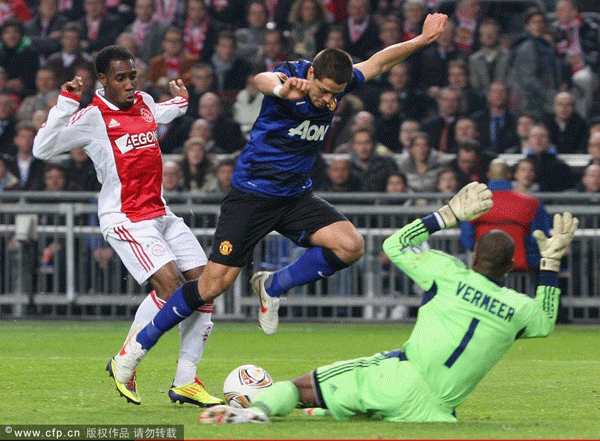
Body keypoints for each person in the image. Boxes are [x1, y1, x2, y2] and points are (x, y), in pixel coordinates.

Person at [108, 13, 449, 399]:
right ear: (312, 74)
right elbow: (262, 80)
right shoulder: (292, 77)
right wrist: (284, 89)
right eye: (323, 91)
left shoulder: (336, 80)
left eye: (336, 94)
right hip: (252, 195)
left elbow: (379, 61)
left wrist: (421, 40)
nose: (328, 100)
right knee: (211, 286)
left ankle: (274, 284)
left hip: (294, 196)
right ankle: (134, 352)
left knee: (350, 245)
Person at [198, 183, 578, 424]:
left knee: (300, 387)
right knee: (359, 402)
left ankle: (253, 412)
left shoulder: (447, 273)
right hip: (437, 411)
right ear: (512, 267)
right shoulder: (518, 308)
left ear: (474, 254)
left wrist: (445, 215)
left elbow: (394, 245)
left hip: (399, 378)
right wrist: (550, 265)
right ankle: (333, 409)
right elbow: (545, 320)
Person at [32, 45, 222, 408]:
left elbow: (162, 114)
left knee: (207, 286)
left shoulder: (145, 101)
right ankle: (127, 358)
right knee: (172, 286)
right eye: (121, 78)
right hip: (126, 218)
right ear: (102, 80)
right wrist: (65, 103)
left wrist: (181, 103)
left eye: (132, 75)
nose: (130, 83)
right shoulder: (91, 117)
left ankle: (185, 380)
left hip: (161, 213)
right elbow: (42, 149)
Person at [460, 160, 551, 273]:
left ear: (488, 175)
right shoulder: (532, 204)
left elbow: (467, 239)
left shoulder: (473, 203)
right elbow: (540, 237)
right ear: (509, 175)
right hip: (521, 269)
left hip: (484, 269)